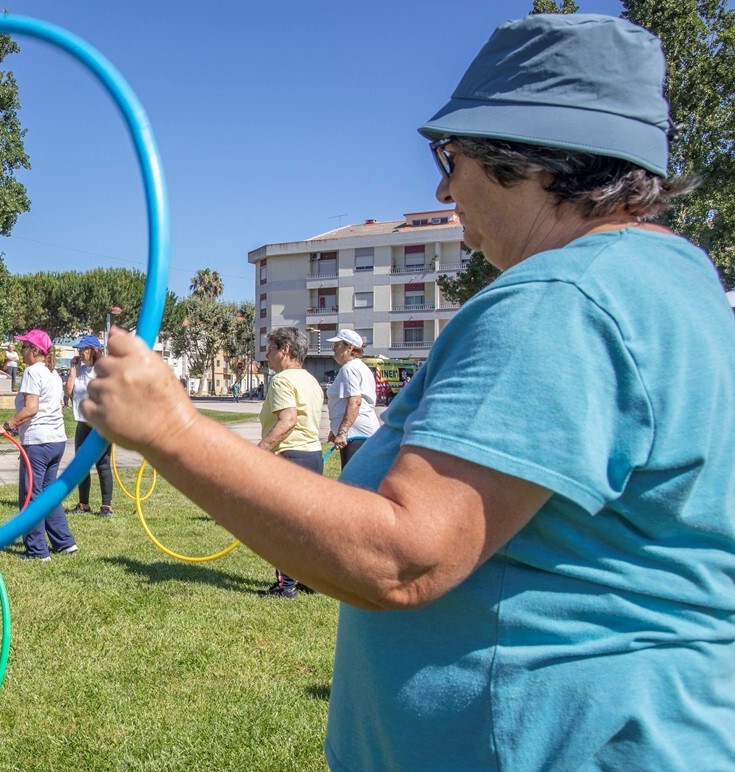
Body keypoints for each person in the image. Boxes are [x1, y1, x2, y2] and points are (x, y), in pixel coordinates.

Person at [81, 14, 735, 768]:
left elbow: (404, 558)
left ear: (529, 160)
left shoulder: (561, 298)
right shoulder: (678, 286)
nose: (441, 184)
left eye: (449, 155)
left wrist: (170, 428)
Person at [0, 329, 77, 560]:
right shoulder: (52, 373)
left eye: (25, 346)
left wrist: (7, 425)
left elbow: (31, 408)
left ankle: (37, 550)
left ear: (35, 350)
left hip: (38, 442)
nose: (21, 351)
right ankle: (64, 541)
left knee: (31, 495)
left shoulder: (32, 371)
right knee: (48, 493)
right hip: (56, 440)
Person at [255, 327, 324, 599]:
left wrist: (260, 451)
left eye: (270, 348)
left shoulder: (283, 380)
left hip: (291, 456)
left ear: (285, 349)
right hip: (312, 456)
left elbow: (288, 420)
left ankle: (286, 586)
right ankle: (310, 579)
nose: (267, 354)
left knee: (284, 525)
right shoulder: (311, 380)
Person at [64, 334, 113, 517]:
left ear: (94, 350)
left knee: (102, 464)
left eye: (84, 349)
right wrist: (73, 370)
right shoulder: (80, 370)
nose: (80, 352)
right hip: (82, 423)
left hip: (100, 425)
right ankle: (83, 504)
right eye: (79, 349)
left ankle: (106, 506)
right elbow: (68, 392)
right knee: (81, 464)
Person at [324, 329, 379, 469]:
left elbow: (355, 401)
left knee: (353, 481)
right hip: (359, 433)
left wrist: (342, 431)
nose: (333, 349)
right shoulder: (360, 367)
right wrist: (335, 430)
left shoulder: (349, 369)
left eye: (337, 345)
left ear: (349, 348)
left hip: (356, 435)